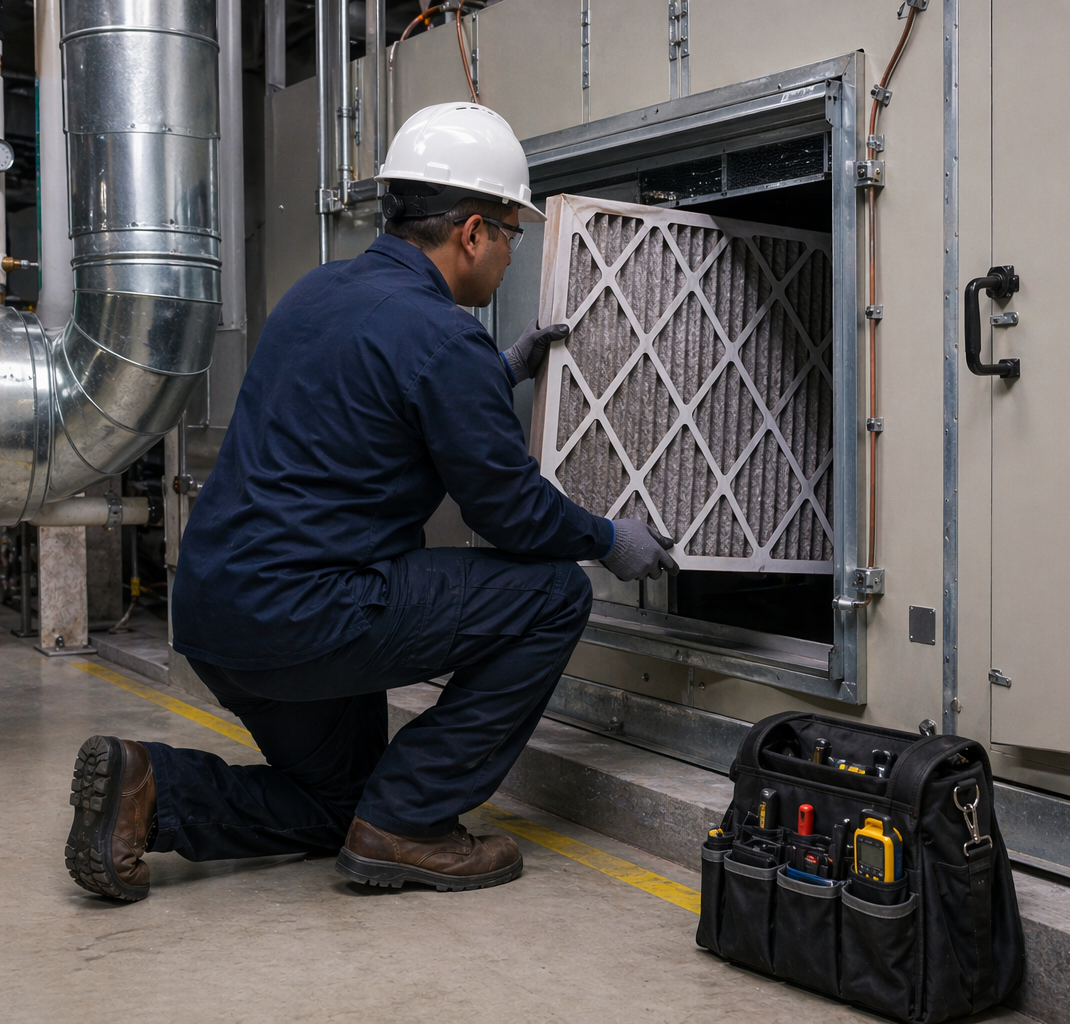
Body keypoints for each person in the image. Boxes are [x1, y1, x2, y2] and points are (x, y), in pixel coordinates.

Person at [62, 103, 679, 903]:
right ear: (472, 232)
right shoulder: (440, 335)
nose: (509, 253)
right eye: (512, 234)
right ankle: (413, 825)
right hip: (309, 613)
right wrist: (606, 536)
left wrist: (497, 373)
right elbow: (512, 514)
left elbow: (374, 399)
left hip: (218, 617)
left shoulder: (320, 293)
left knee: (339, 806)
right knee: (553, 594)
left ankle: (152, 791)